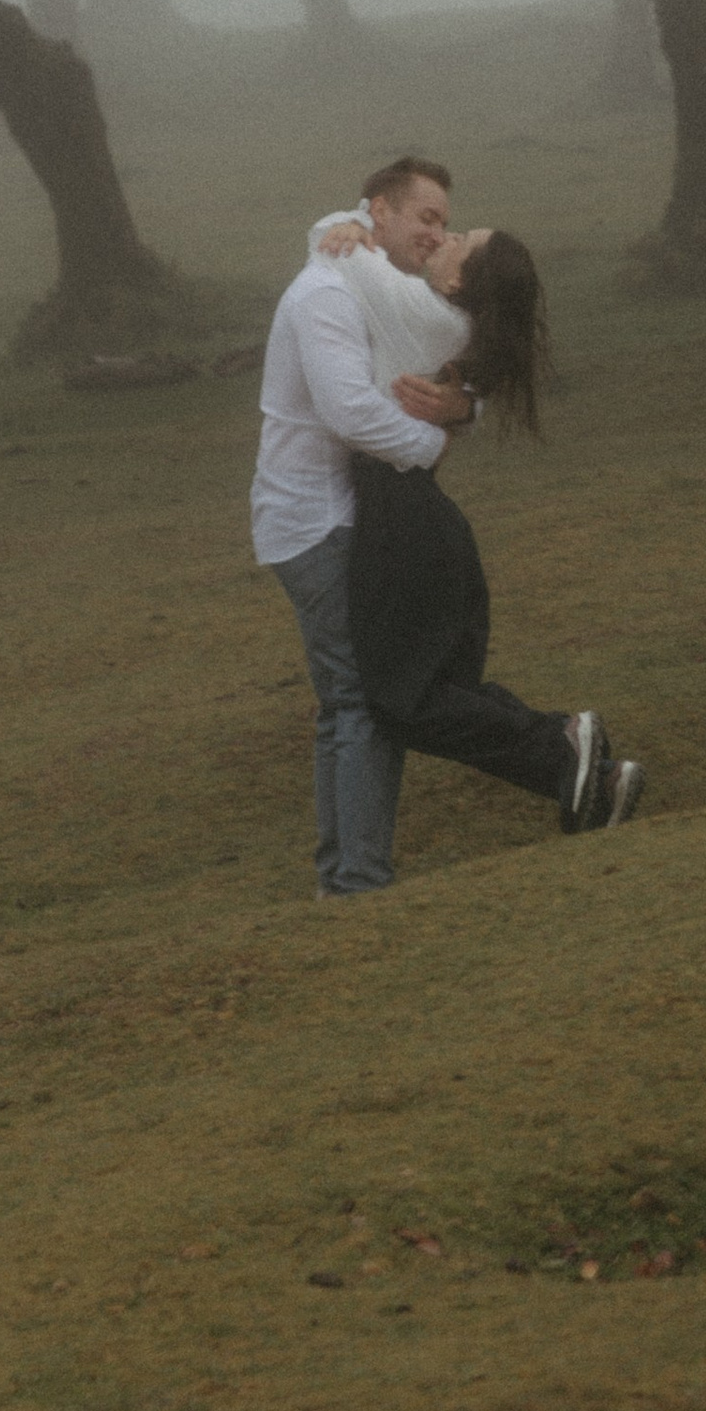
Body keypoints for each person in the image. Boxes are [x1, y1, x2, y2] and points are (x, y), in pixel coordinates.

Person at [250, 153, 639, 895]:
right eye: (427, 219)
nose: (438, 233)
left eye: (448, 227)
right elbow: (352, 412)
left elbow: (431, 353)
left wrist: (460, 410)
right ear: (381, 213)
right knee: (366, 701)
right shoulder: (330, 296)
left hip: (345, 518)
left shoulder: (374, 288)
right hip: (322, 519)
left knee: (358, 703)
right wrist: (438, 438)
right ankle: (552, 756)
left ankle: (353, 878)